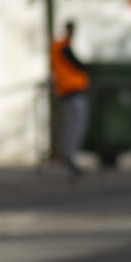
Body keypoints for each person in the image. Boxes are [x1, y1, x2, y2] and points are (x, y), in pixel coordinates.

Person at [49, 20, 89, 177]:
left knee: (69, 125)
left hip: (66, 91)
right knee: (74, 126)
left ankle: (68, 155)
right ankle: (69, 156)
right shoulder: (63, 46)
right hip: (72, 91)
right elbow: (77, 64)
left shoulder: (57, 46)